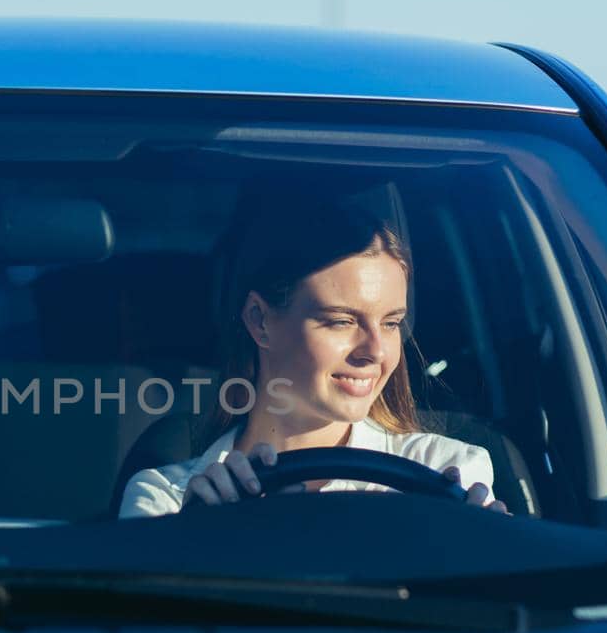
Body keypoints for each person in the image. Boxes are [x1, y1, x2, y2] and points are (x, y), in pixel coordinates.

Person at [119, 197, 507, 517]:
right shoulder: (167, 501)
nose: (375, 351)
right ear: (259, 320)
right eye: (340, 321)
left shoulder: (445, 473)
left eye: (391, 323)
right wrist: (193, 540)